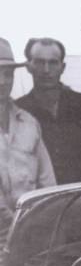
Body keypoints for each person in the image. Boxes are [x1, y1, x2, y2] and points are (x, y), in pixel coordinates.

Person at [17, 37, 81, 184]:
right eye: (39, 62)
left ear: (62, 67)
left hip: (74, 191)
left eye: (53, 63)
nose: (46, 70)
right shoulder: (19, 109)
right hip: (36, 195)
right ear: (29, 66)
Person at [0, 38, 55, 224]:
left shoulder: (29, 123)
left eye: (8, 74)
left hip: (28, 228)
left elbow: (48, 184)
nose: (2, 81)